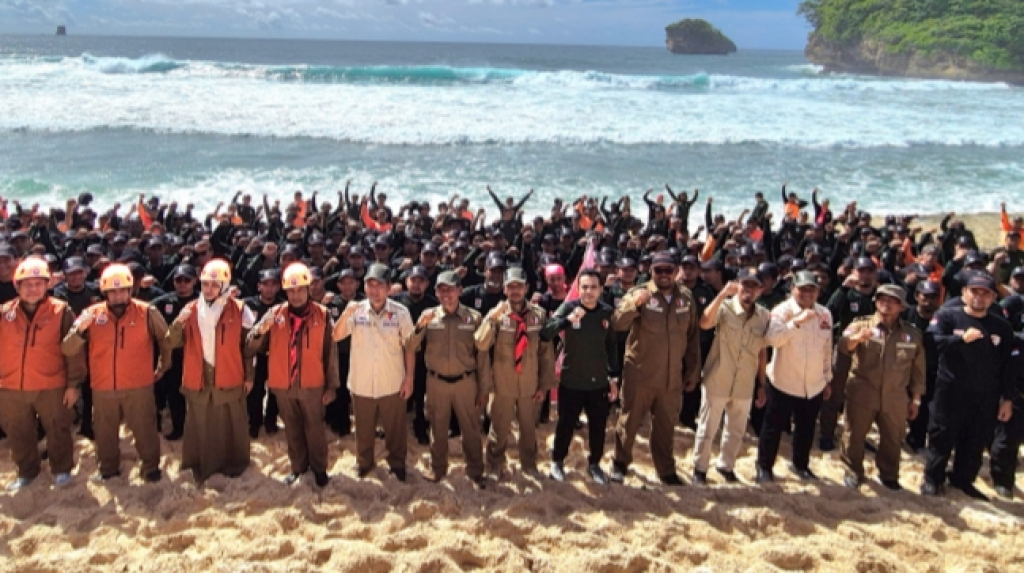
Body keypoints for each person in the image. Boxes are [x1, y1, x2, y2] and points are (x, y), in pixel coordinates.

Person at [62, 263, 172, 483]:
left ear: (130, 290)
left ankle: (151, 468)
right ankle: (108, 469)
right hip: (103, 386)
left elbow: (165, 339)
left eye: (123, 290)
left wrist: (163, 365)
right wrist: (80, 329)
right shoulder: (92, 314)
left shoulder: (146, 312)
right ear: (105, 292)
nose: (118, 296)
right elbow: (68, 348)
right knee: (104, 431)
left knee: (144, 428)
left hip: (138, 385)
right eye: (113, 291)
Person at [610, 251, 701, 485]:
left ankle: (666, 470)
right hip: (640, 373)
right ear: (651, 271)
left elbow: (692, 338)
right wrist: (634, 304)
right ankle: (620, 463)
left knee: (666, 426)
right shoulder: (639, 293)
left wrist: (692, 371)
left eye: (668, 270)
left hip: (671, 377)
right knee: (629, 422)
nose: (663, 274)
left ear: (676, 271)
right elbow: (617, 323)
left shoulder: (686, 298)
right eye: (658, 270)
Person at [922, 272, 1015, 500]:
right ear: (964, 293)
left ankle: (962, 480)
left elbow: (1007, 366)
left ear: (993, 298)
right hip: (950, 391)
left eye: (985, 293)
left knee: (975, 440)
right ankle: (933, 479)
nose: (979, 297)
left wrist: (1007, 399)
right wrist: (959, 339)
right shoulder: (947, 316)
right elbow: (931, 342)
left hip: (985, 395)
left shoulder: (1002, 327)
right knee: (942, 436)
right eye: (974, 291)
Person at [246, 262, 339, 488]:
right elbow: (251, 347)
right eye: (291, 290)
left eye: (300, 290)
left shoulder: (323, 315)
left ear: (308, 289)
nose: (296, 295)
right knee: (292, 428)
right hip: (283, 383)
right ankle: (298, 467)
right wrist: (260, 329)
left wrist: (331, 386)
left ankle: (319, 469)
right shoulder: (275, 314)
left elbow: (330, 352)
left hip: (312, 383)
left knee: (315, 429)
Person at [167, 259, 255, 482]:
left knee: (231, 421)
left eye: (215, 285)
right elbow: (171, 342)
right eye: (205, 284)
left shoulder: (241, 310)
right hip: (199, 374)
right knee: (200, 421)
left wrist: (249, 375)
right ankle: (200, 465)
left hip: (229, 372)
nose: (209, 289)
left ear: (224, 286)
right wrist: (178, 322)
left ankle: (235, 465)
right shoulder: (191, 309)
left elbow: (248, 347)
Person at [0, 258, 85, 490]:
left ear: (47, 284)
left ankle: (62, 470)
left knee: (58, 429)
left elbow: (73, 351)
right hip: (12, 386)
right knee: (19, 432)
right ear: (16, 286)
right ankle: (27, 472)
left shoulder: (61, 311)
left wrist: (73, 384)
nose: (33, 289)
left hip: (51, 385)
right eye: (27, 284)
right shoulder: (4, 313)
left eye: (38, 283)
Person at [838, 284, 926, 491]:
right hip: (863, 393)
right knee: (854, 435)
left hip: (895, 397)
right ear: (876, 302)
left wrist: (915, 400)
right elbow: (843, 345)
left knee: (893, 439)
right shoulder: (861, 324)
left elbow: (918, 371)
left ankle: (888, 475)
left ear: (902, 307)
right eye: (882, 299)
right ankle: (853, 471)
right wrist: (856, 339)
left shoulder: (912, 335)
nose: (886, 304)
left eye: (892, 301)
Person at [334, 263, 415, 482]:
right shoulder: (356, 310)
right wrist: (345, 313)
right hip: (362, 383)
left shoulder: (401, 313)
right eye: (370, 285)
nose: (374, 290)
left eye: (379, 285)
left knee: (395, 428)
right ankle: (364, 462)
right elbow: (336, 336)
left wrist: (409, 378)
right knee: (363, 428)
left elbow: (409, 347)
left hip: (392, 381)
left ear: (389, 287)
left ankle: (397, 464)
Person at [407, 270, 488, 486]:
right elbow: (410, 346)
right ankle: (438, 469)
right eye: (441, 290)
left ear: (459, 290)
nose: (446, 294)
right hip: (437, 383)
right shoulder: (429, 316)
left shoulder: (474, 317)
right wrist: (419, 325)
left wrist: (484, 389)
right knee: (438, 428)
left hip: (466, 382)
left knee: (471, 429)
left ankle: (475, 471)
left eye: (450, 290)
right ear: (436, 292)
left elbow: (482, 356)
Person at [474, 266, 556, 479]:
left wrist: (544, 386)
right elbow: (481, 344)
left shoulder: (538, 315)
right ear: (504, 289)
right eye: (511, 287)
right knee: (499, 427)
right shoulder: (497, 315)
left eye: (519, 286)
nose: (515, 291)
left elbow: (546, 353)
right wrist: (491, 319)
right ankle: (494, 464)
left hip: (529, 384)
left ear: (526, 288)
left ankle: (529, 464)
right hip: (503, 383)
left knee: (528, 428)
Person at [540, 269, 620, 484]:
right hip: (572, 380)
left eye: (593, 287)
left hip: (598, 382)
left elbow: (611, 347)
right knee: (565, 424)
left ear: (601, 289)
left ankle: (594, 464)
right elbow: (546, 332)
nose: (589, 291)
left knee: (598, 427)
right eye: (584, 287)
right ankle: (557, 461)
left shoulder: (606, 312)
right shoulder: (569, 307)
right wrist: (567, 320)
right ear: (578, 288)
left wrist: (613, 378)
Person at [692, 269, 769, 485]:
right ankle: (700, 468)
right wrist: (722, 294)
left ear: (760, 290)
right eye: (745, 284)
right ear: (737, 285)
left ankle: (726, 466)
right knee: (708, 427)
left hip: (744, 382)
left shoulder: (764, 316)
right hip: (719, 377)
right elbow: (704, 322)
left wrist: (761, 384)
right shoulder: (724, 308)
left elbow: (762, 352)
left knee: (736, 429)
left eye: (754, 286)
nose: (748, 290)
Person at [757, 270, 833, 484]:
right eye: (802, 289)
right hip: (784, 381)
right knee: (773, 428)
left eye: (812, 289)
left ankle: (800, 465)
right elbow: (772, 340)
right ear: (792, 289)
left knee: (806, 428)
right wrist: (796, 322)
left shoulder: (825, 314)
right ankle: (764, 467)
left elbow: (827, 348)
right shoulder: (781, 311)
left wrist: (827, 379)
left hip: (813, 383)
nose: (807, 293)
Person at [821, 257, 879, 451]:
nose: (865, 275)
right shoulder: (847, 294)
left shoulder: (879, 297)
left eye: (869, 271)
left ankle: (857, 437)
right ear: (854, 272)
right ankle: (826, 435)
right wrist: (843, 289)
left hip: (870, 354)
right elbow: (828, 314)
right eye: (861, 271)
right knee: (834, 394)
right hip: (845, 350)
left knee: (862, 399)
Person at [150, 264, 199, 440]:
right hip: (172, 355)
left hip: (196, 355)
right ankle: (178, 427)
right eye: (178, 280)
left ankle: (198, 429)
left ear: (195, 280)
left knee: (197, 395)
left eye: (187, 280)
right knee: (174, 393)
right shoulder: (163, 302)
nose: (182, 284)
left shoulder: (202, 301)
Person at [243, 268, 282, 437]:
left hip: (276, 355)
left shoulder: (282, 306)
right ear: (259, 286)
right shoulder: (248, 305)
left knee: (275, 390)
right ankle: (254, 422)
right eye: (265, 284)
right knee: (255, 390)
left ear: (278, 287)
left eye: (273, 284)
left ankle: (271, 421)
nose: (269, 288)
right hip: (255, 355)